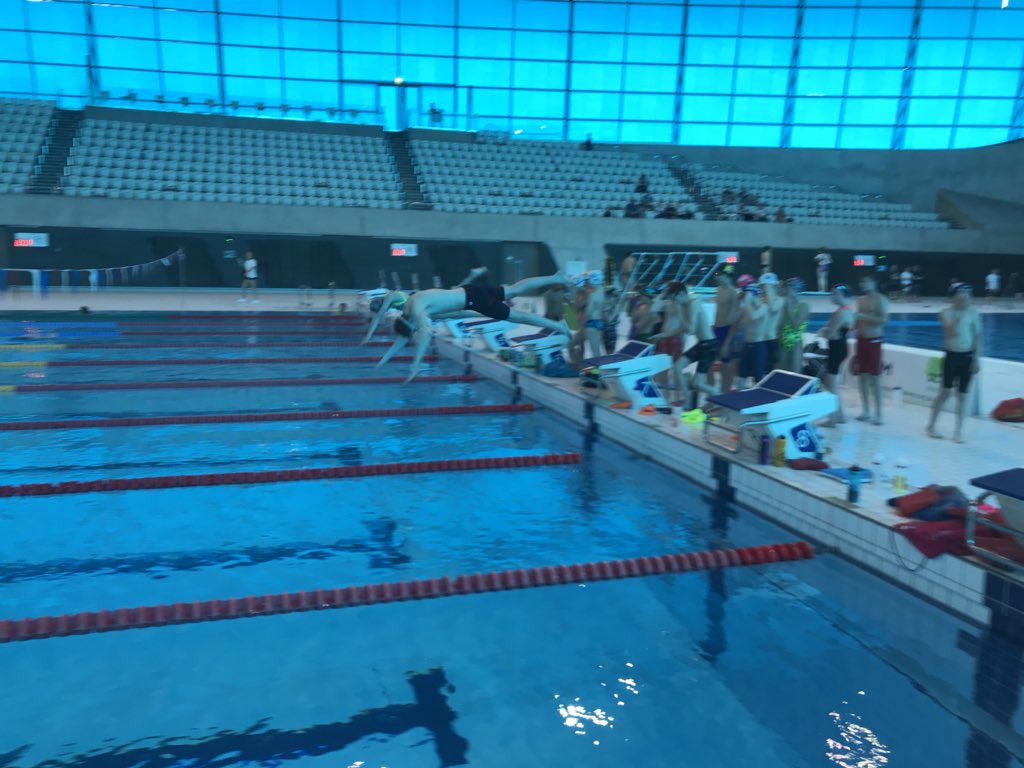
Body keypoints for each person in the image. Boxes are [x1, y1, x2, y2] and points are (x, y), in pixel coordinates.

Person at [378, 272, 571, 381]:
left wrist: (416, 366)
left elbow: (425, 334)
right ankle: (555, 278)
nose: (417, 330)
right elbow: (455, 313)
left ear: (410, 324)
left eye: (414, 330)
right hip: (469, 293)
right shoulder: (413, 303)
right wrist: (382, 361)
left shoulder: (418, 312)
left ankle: (558, 326)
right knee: (514, 289)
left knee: (517, 316)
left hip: (473, 300)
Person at [927, 285, 982, 443]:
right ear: (954, 296)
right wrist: (959, 314)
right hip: (951, 356)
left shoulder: (974, 313)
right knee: (944, 392)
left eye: (967, 293)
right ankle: (931, 426)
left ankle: (958, 431)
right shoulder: (945, 313)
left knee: (963, 395)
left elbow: (977, 337)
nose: (966, 296)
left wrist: (976, 359)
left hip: (967, 357)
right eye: (962, 293)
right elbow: (951, 332)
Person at [676, 285, 719, 410]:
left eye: (675, 298)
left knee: (698, 383)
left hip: (709, 345)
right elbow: (683, 329)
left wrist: (679, 313)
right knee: (678, 367)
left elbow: (691, 330)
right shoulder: (686, 306)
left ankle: (720, 397)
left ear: (682, 294)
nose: (674, 302)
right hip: (702, 344)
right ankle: (688, 401)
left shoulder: (694, 304)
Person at [854, 274, 889, 425]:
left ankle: (879, 414)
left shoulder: (880, 299)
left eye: (866, 281)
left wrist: (863, 316)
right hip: (861, 340)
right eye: (861, 281)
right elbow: (857, 321)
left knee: (875, 378)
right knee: (862, 376)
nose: (863, 284)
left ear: (873, 282)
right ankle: (866, 410)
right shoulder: (860, 300)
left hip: (874, 341)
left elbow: (883, 320)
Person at [817, 285, 855, 426]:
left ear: (844, 296)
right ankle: (839, 416)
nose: (833, 296)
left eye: (836, 294)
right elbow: (832, 331)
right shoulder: (845, 310)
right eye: (832, 293)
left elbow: (830, 332)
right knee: (830, 383)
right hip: (839, 347)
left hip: (837, 349)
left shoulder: (842, 313)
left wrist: (824, 331)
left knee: (831, 385)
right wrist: (827, 331)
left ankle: (834, 418)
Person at [650, 283, 686, 393]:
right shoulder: (666, 304)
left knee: (676, 369)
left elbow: (683, 326)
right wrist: (662, 294)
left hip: (675, 338)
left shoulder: (681, 305)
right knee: (663, 369)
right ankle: (666, 393)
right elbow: (653, 309)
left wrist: (684, 342)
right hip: (665, 338)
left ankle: (677, 397)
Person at [567, 272, 606, 364]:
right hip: (593, 324)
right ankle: (580, 365)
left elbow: (584, 310)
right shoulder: (598, 292)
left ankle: (596, 371)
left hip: (590, 325)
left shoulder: (590, 294)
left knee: (594, 351)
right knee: (591, 349)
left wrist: (569, 301)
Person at [713, 272, 741, 392]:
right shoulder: (718, 289)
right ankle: (716, 390)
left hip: (726, 328)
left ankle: (725, 391)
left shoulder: (733, 292)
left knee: (726, 363)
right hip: (716, 328)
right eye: (717, 276)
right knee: (712, 361)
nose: (717, 278)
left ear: (727, 277)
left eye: (720, 276)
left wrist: (728, 340)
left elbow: (734, 319)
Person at [737, 282, 768, 388]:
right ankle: (738, 400)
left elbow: (754, 316)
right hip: (746, 345)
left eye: (746, 294)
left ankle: (760, 403)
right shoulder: (746, 307)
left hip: (758, 347)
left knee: (758, 379)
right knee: (741, 377)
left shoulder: (763, 307)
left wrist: (747, 301)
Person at [778, 278, 809, 373]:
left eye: (788, 288)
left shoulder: (803, 306)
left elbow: (796, 326)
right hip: (782, 343)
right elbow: (779, 326)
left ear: (795, 290)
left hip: (796, 344)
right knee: (782, 375)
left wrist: (789, 308)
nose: (786, 291)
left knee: (795, 375)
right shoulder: (783, 306)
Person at [759, 273, 784, 372]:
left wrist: (768, 290)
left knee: (769, 371)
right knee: (759, 371)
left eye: (764, 286)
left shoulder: (780, 299)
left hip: (771, 340)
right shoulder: (761, 299)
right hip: (759, 340)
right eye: (761, 286)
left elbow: (773, 308)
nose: (762, 288)